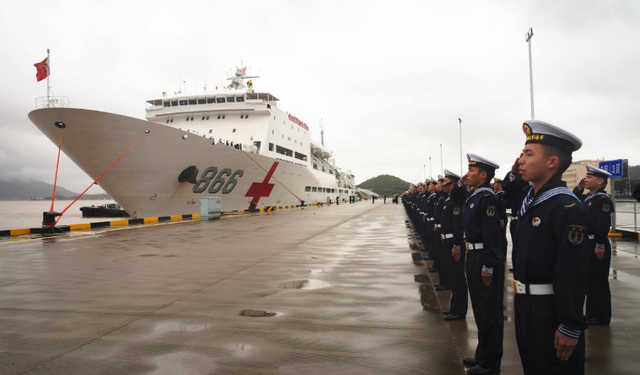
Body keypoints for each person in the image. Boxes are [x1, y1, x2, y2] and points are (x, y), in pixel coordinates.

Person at [503, 120, 589, 375]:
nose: (521, 160)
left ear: (552, 162)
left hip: (551, 311)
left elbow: (573, 272)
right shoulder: (533, 201)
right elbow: (511, 188)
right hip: (525, 305)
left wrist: (570, 324)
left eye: (529, 154)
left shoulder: (566, 208)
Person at [460, 153, 504, 375]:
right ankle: (482, 354)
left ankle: (490, 363)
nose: (467, 174)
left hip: (483, 258)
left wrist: (489, 264)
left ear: (483, 174)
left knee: (489, 311)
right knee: (479, 309)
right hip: (473, 256)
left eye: (471, 171)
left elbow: (492, 234)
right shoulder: (474, 196)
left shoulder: (487, 198)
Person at [573, 165, 614, 326]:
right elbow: (572, 201)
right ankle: (591, 314)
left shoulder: (603, 200)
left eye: (590, 178)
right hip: (586, 244)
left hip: (596, 244)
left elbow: (603, 224)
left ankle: (601, 316)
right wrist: (579, 187)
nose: (586, 180)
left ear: (600, 181)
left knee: (598, 282)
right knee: (589, 281)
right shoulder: (588, 198)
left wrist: (600, 244)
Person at [440, 169, 468, 320]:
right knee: (453, 275)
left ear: (453, 185)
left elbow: (457, 226)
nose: (443, 186)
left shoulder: (456, 202)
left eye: (446, 183)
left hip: (454, 242)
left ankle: (458, 311)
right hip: (448, 240)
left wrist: (457, 245)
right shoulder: (449, 200)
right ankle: (454, 307)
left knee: (457, 277)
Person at [433, 175, 451, 291]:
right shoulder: (441, 197)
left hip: (449, 235)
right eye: (441, 183)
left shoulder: (447, 199)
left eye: (444, 182)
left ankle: (445, 283)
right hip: (441, 230)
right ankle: (443, 282)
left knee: (446, 262)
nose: (441, 185)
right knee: (440, 255)